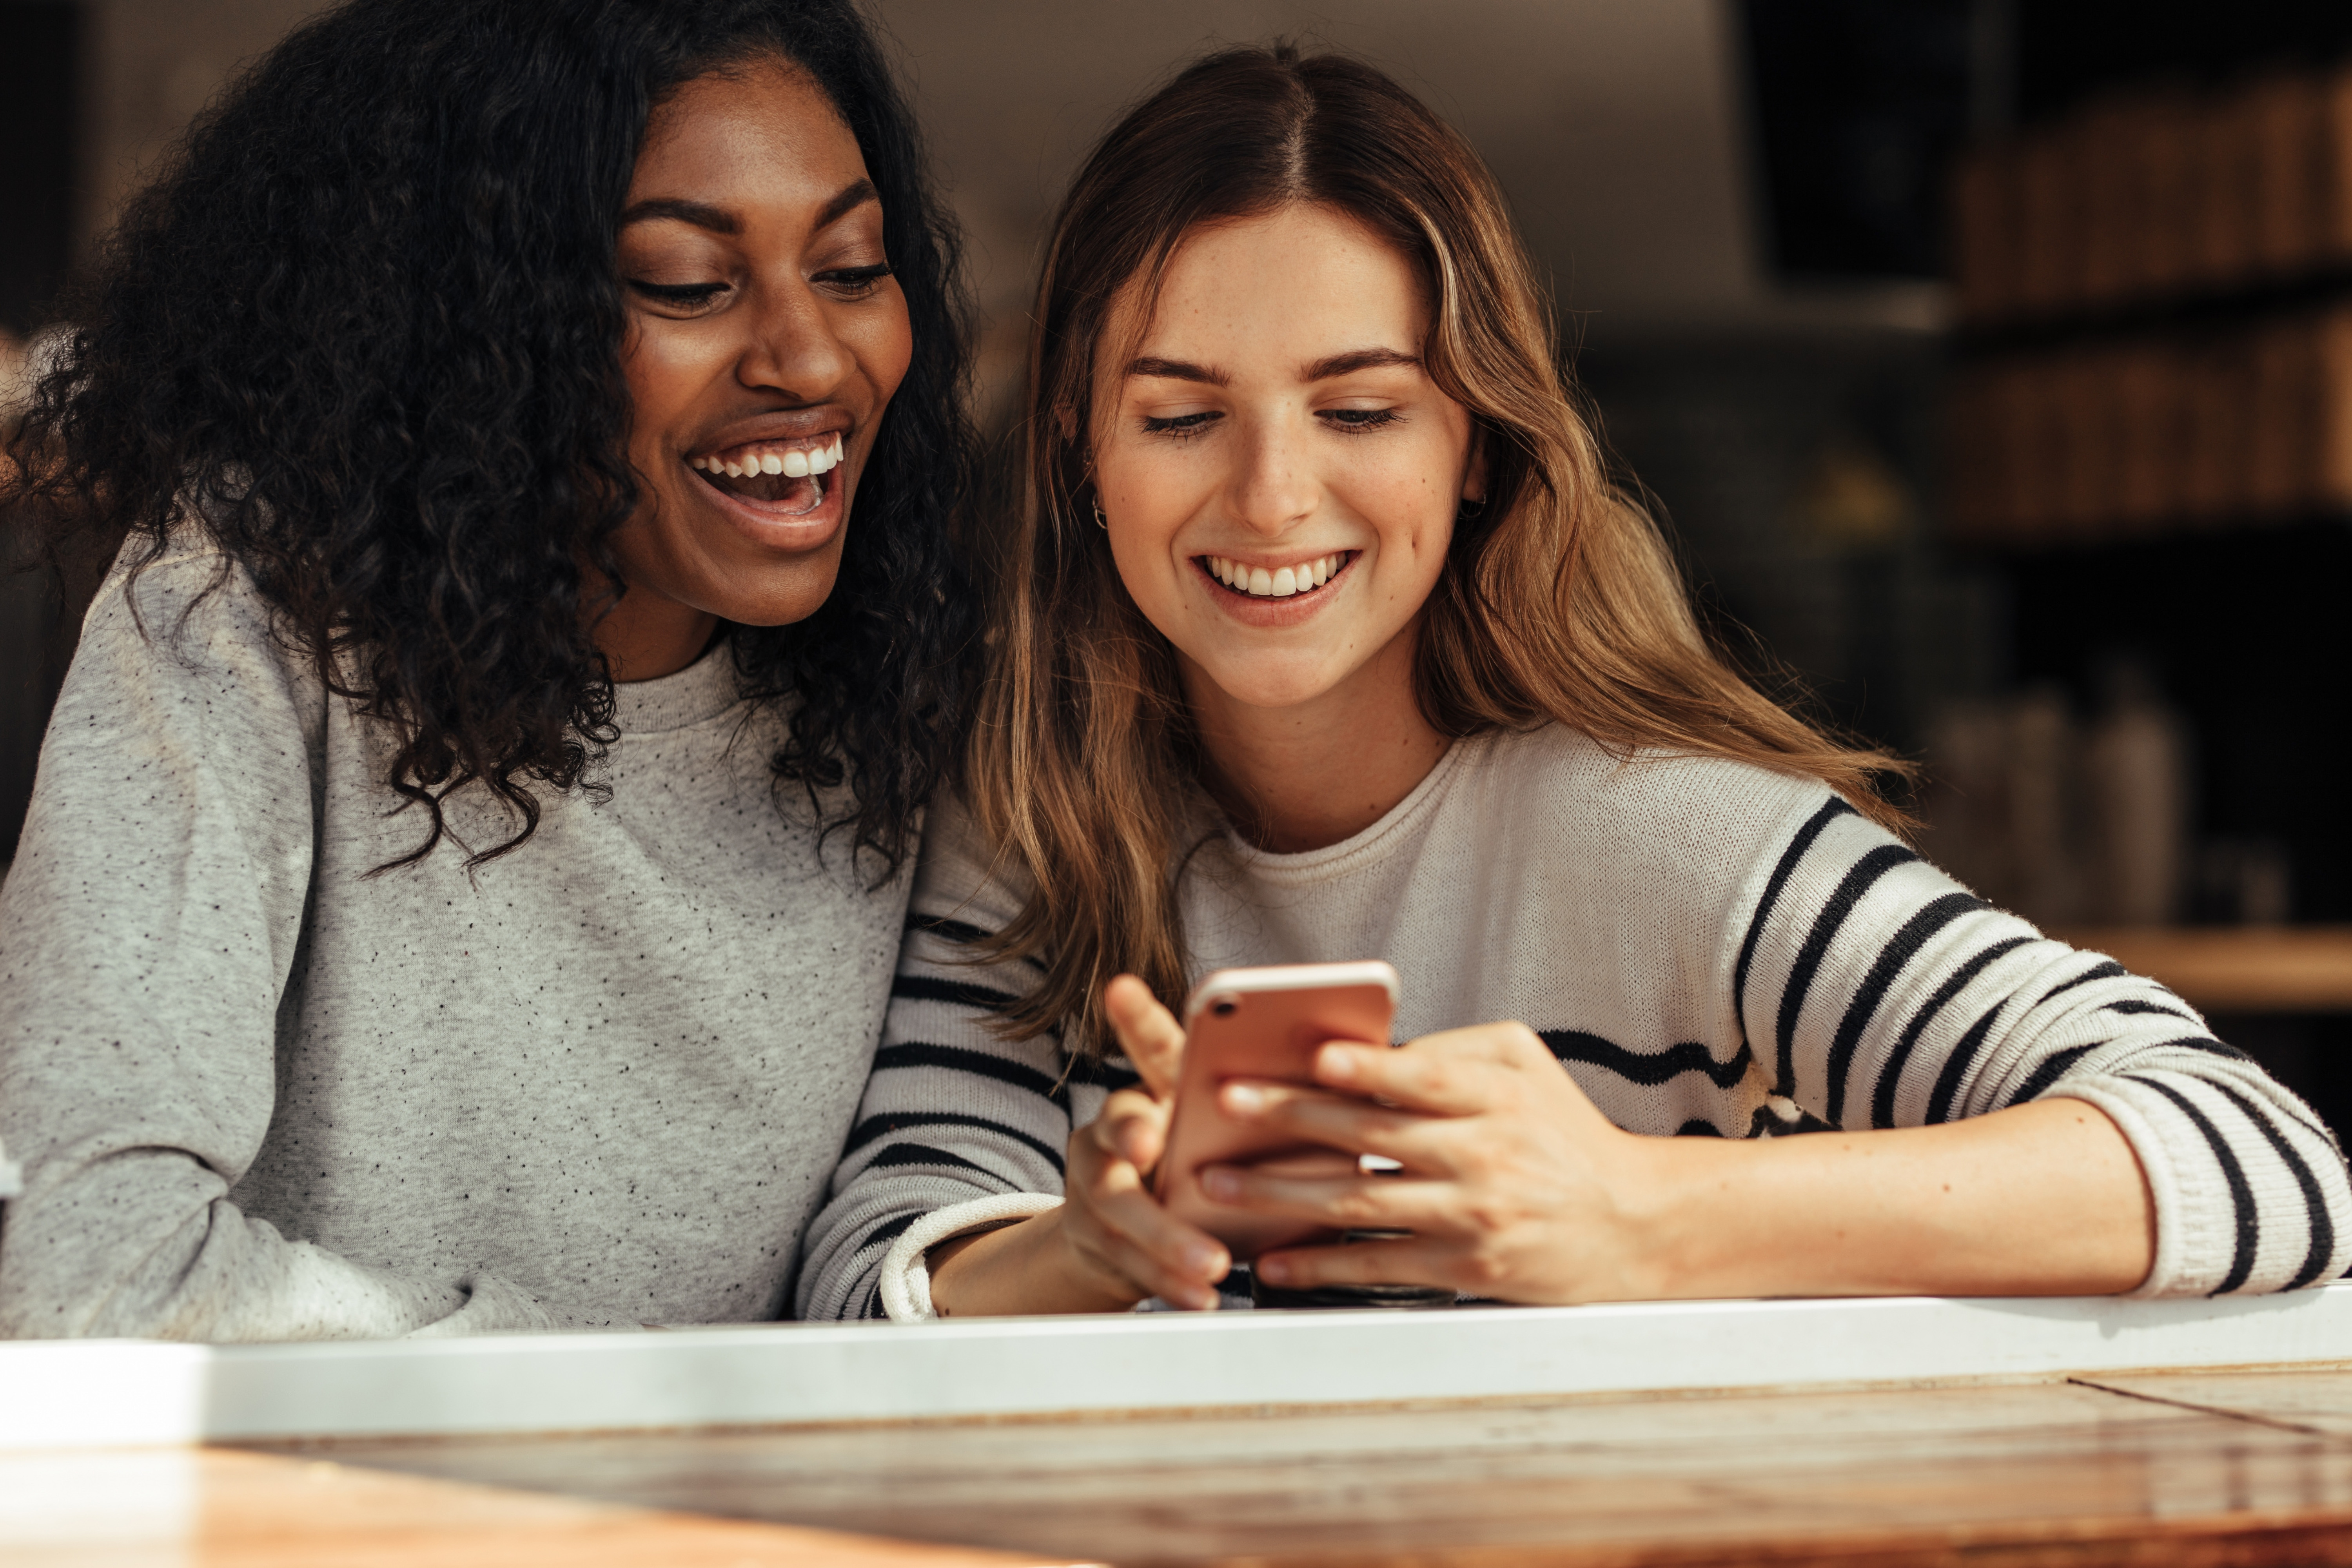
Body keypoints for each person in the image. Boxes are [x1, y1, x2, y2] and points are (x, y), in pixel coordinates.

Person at [796, 45, 2350, 1322]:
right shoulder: (1027, 829)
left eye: (1360, 408)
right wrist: (1088, 1249)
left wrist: (1649, 1210)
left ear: (1473, 442)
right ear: (1080, 450)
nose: (1273, 497)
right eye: (1182, 416)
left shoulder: (1670, 839)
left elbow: (2268, 1158)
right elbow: (868, 1282)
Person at [0, 0, 975, 1338]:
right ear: (472, 330)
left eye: (854, 267)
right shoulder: (245, 611)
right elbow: (79, 1272)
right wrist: (564, 1394)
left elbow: (921, 1230)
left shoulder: (910, 672)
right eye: (689, 284)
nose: (811, 357)